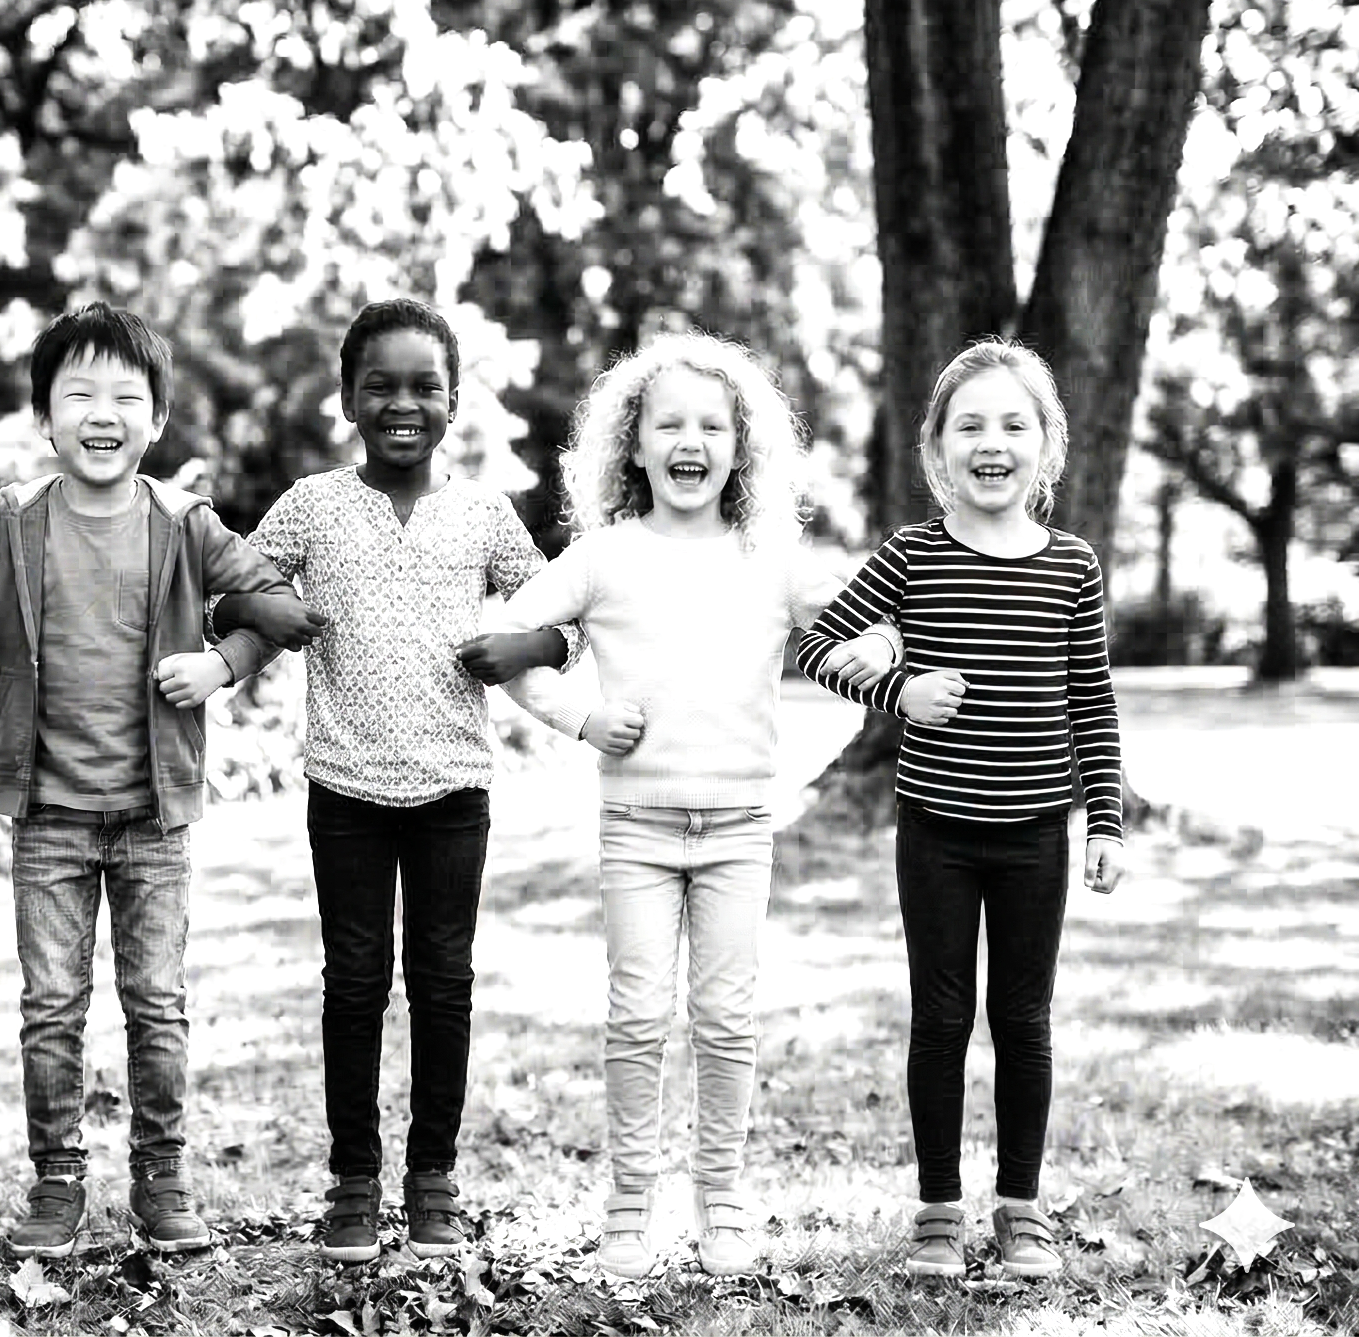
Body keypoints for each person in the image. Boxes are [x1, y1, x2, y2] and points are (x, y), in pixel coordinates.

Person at [0, 303, 317, 1259]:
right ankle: (57, 1180)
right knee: (50, 1007)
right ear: (46, 418)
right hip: (49, 815)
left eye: (125, 395)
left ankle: (162, 1179)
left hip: (155, 814)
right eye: (78, 393)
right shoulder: (8, 522)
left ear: (156, 419)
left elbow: (284, 608)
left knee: (156, 1002)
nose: (101, 412)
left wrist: (221, 664)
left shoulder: (183, 524)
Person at [460, 330, 897, 1282]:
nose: (690, 440)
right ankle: (628, 1210)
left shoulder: (771, 557)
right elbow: (500, 640)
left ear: (741, 448)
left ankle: (724, 1203)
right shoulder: (603, 556)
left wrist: (889, 650)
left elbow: (855, 628)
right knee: (636, 1016)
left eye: (712, 424)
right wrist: (581, 715)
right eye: (670, 424)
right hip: (637, 829)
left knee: (729, 1020)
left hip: (742, 828)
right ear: (636, 445)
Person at [203, 298, 577, 1266]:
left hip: (453, 788)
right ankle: (354, 1181)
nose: (401, 402)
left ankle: (434, 1176)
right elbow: (223, 586)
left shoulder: (482, 513)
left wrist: (525, 640)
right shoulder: (312, 504)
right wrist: (265, 607)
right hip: (346, 788)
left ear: (452, 401)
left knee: (442, 981)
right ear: (346, 397)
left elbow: (560, 611)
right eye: (380, 384)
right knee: (355, 982)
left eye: (423, 385)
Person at [794, 339, 1123, 1283]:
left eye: (1014, 424)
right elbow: (815, 645)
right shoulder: (911, 555)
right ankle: (939, 1210)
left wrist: (1103, 819)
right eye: (969, 424)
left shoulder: (1072, 565)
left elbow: (1091, 703)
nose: (993, 441)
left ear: (1046, 447)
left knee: (1024, 1019)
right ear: (936, 450)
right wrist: (897, 690)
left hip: (1035, 839)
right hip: (935, 835)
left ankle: (1022, 1210)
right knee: (941, 1018)